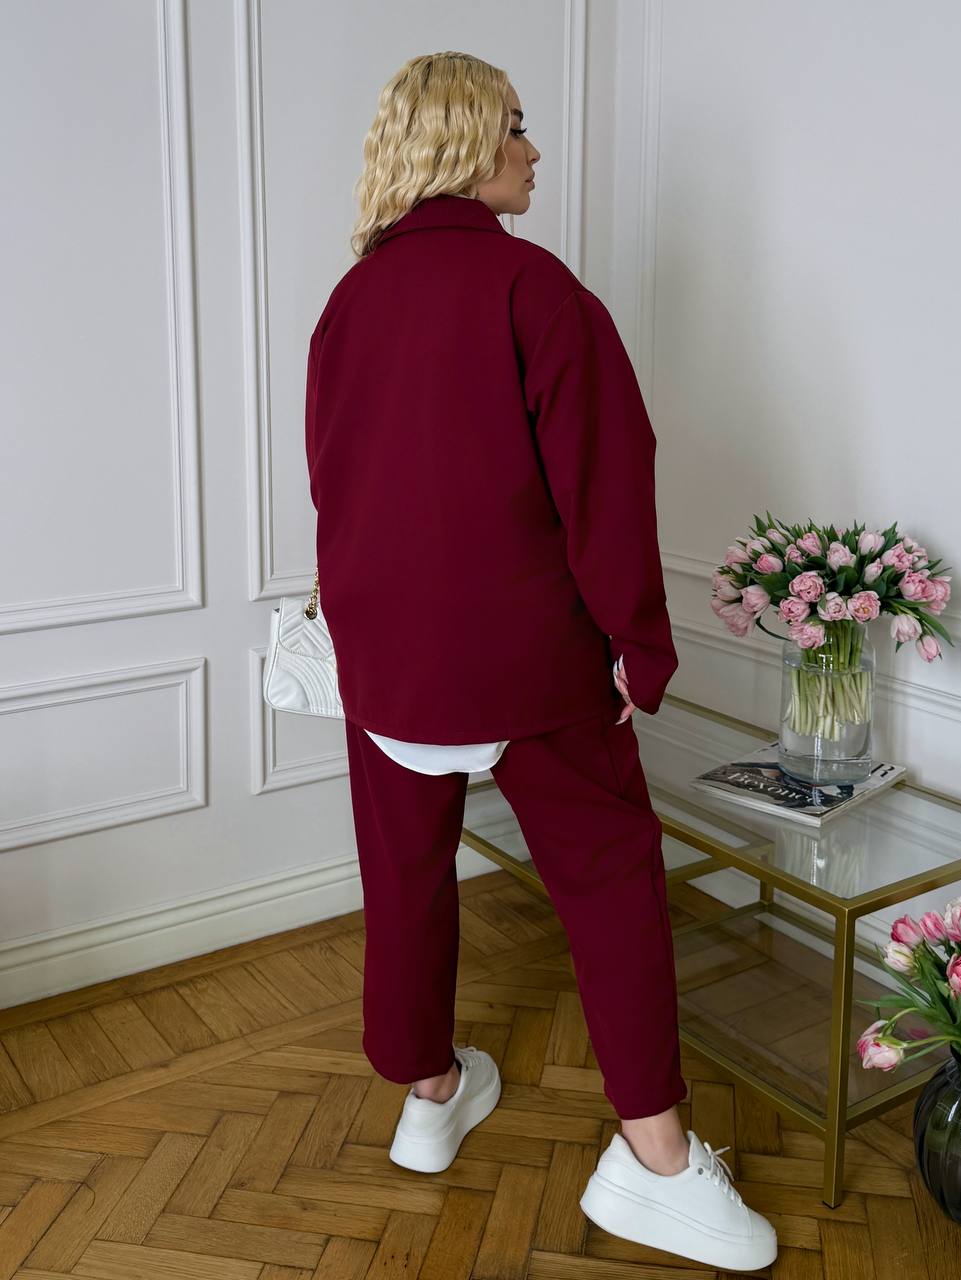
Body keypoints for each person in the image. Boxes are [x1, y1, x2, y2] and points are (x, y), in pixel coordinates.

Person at [304, 50, 776, 1272]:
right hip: (525, 663)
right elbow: (605, 487)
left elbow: (336, 484)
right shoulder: (535, 290)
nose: (533, 148)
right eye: (514, 126)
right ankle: (656, 1160)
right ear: (467, 141)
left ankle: (427, 1094)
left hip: (383, 658)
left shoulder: (348, 302)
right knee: (613, 882)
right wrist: (637, 646)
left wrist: (364, 631)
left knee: (405, 879)